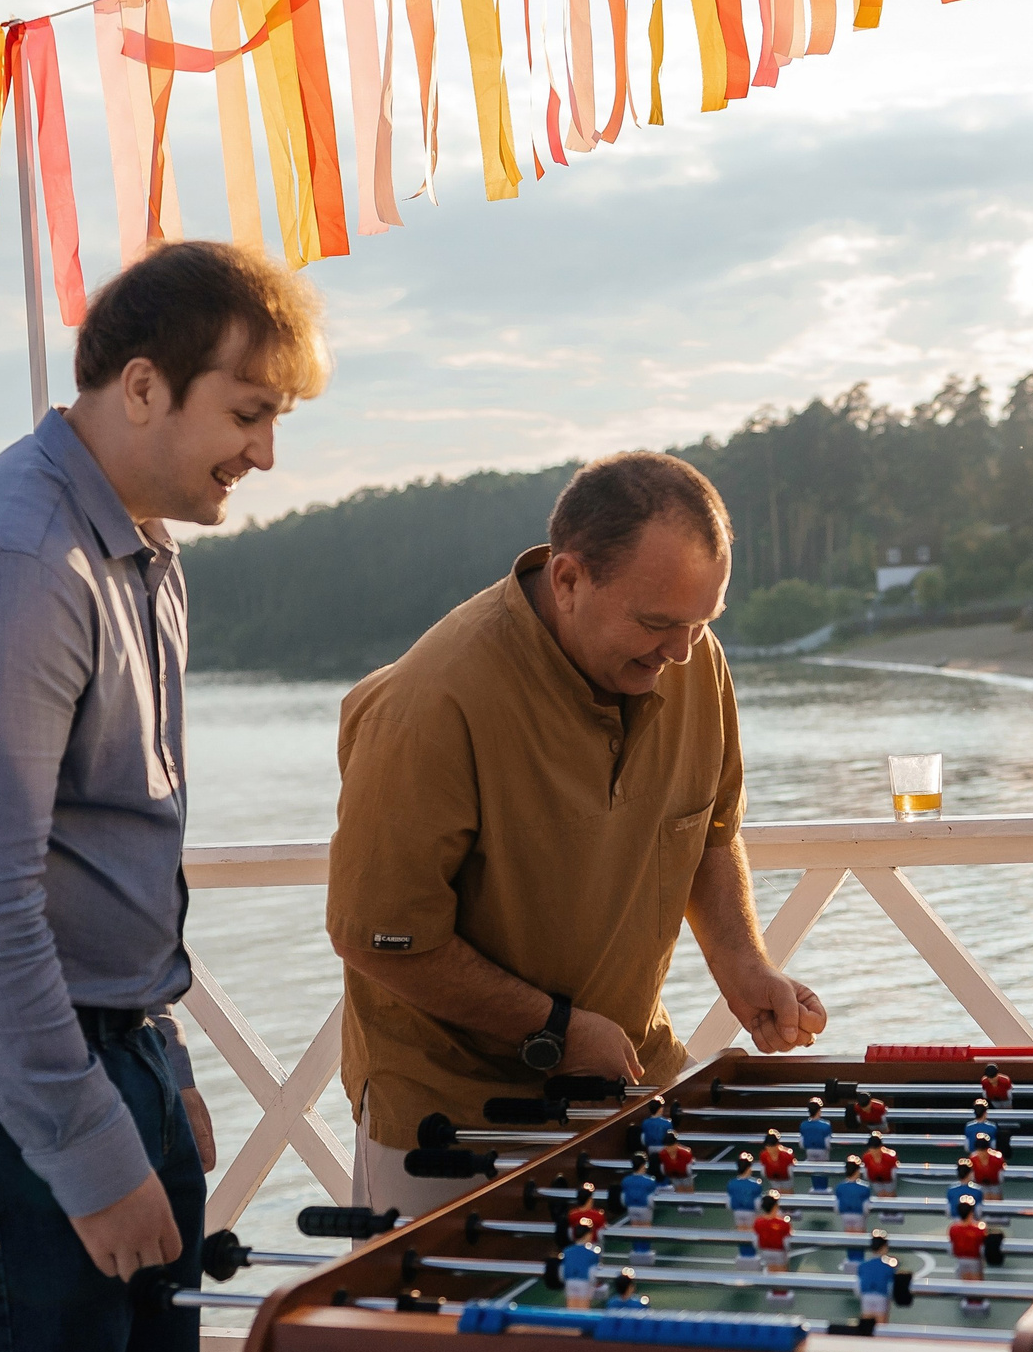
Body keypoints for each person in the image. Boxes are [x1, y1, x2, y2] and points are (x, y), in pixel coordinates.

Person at [0, 240, 329, 1352]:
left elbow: (108, 849)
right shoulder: (20, 562)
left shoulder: (140, 545)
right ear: (146, 386)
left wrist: (155, 1070)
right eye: (249, 412)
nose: (265, 454)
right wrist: (89, 1144)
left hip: (99, 1047)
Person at [326, 451, 827, 1218]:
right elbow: (379, 937)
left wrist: (742, 962)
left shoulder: (695, 660)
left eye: (702, 622)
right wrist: (554, 1028)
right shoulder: (430, 702)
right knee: (458, 1337)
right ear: (568, 580)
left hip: (626, 1073)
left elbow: (709, 832)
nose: (681, 653)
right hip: (448, 1118)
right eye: (657, 622)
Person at [855, 1234, 900, 1323]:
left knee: (867, 1323)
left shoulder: (863, 1266)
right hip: (881, 1296)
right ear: (884, 1247)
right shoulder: (888, 1267)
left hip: (866, 1296)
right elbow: (890, 1287)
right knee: (881, 1324)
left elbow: (858, 1287)